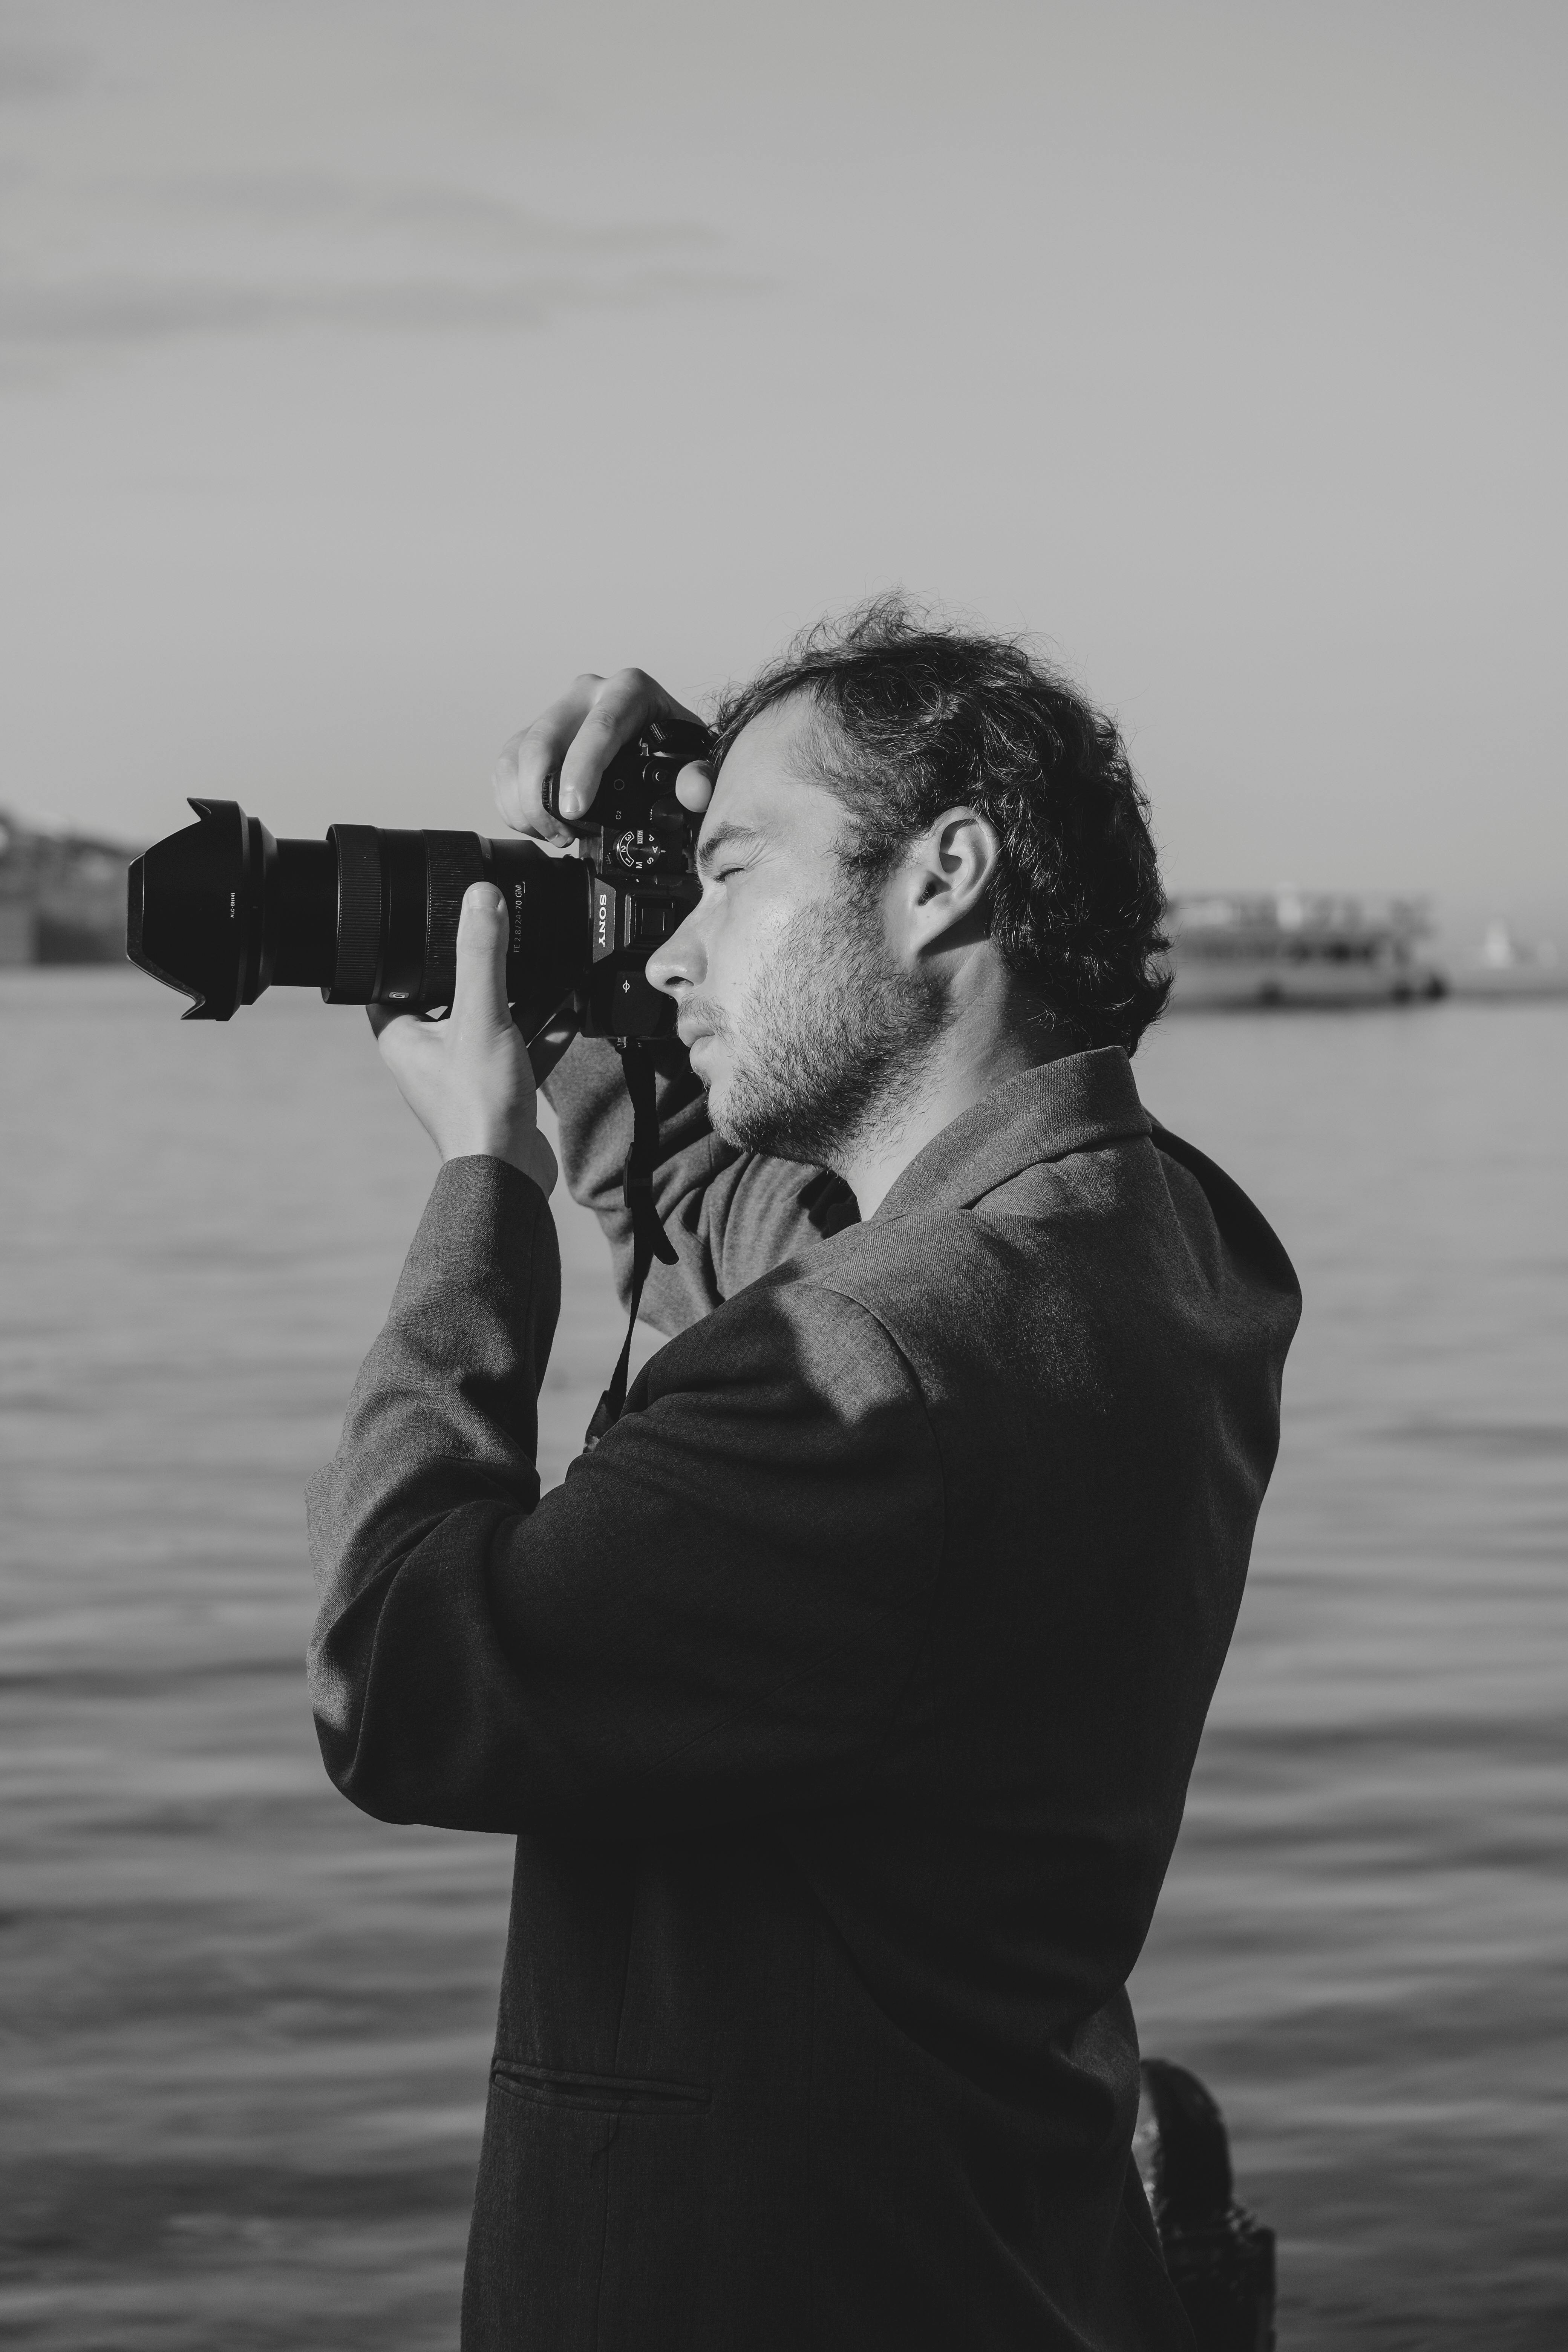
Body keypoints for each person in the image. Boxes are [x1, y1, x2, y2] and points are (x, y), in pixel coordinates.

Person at [306, 599, 1301, 2350]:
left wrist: (485, 1181)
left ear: (942, 878)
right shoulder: (1149, 1242)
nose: (676, 953)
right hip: (998, 2258)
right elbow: (724, 1210)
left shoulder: (879, 1365)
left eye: (728, 881)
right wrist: (672, 829)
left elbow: (400, 1680)